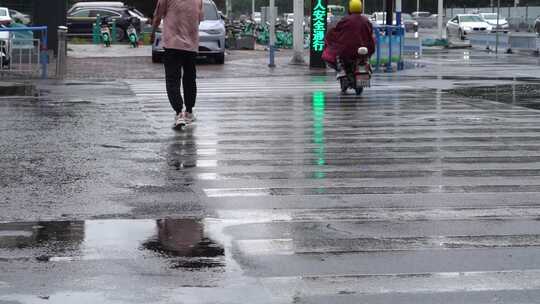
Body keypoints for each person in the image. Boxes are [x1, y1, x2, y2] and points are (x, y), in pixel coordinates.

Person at [151, 0, 204, 128]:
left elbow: (158, 16)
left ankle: (179, 112)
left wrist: (153, 32)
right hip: (191, 45)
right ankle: (189, 112)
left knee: (172, 80)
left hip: (172, 44)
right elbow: (199, 19)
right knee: (190, 79)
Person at [323, 0, 375, 72]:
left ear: (350, 8)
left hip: (347, 51)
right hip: (364, 51)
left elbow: (336, 32)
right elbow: (370, 35)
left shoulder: (345, 20)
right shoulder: (366, 21)